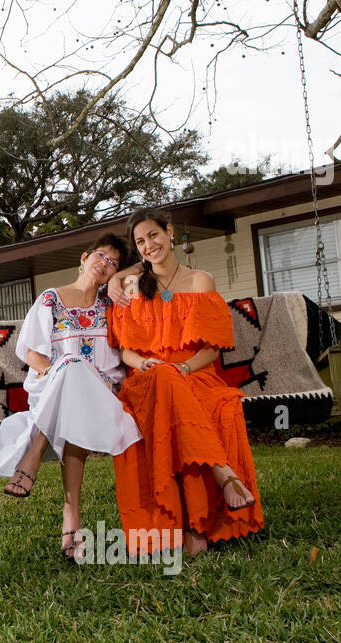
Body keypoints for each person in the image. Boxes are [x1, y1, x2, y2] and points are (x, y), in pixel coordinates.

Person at [105, 207, 264, 557]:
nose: (149, 245)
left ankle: (195, 526)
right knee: (163, 374)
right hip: (146, 378)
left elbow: (212, 349)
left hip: (195, 374)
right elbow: (126, 352)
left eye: (154, 235)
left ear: (170, 233)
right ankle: (224, 478)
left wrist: (186, 369)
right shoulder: (133, 286)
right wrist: (143, 362)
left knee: (214, 402)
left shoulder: (200, 281)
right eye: (141, 242)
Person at [0, 233, 141, 561]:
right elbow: (33, 354)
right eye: (101, 256)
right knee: (71, 369)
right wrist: (59, 374)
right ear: (84, 257)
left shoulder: (112, 305)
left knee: (76, 370)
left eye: (114, 263)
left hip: (102, 394)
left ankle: (33, 456)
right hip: (53, 385)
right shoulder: (51, 299)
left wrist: (120, 277)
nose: (105, 264)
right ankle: (71, 517)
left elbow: (150, 267)